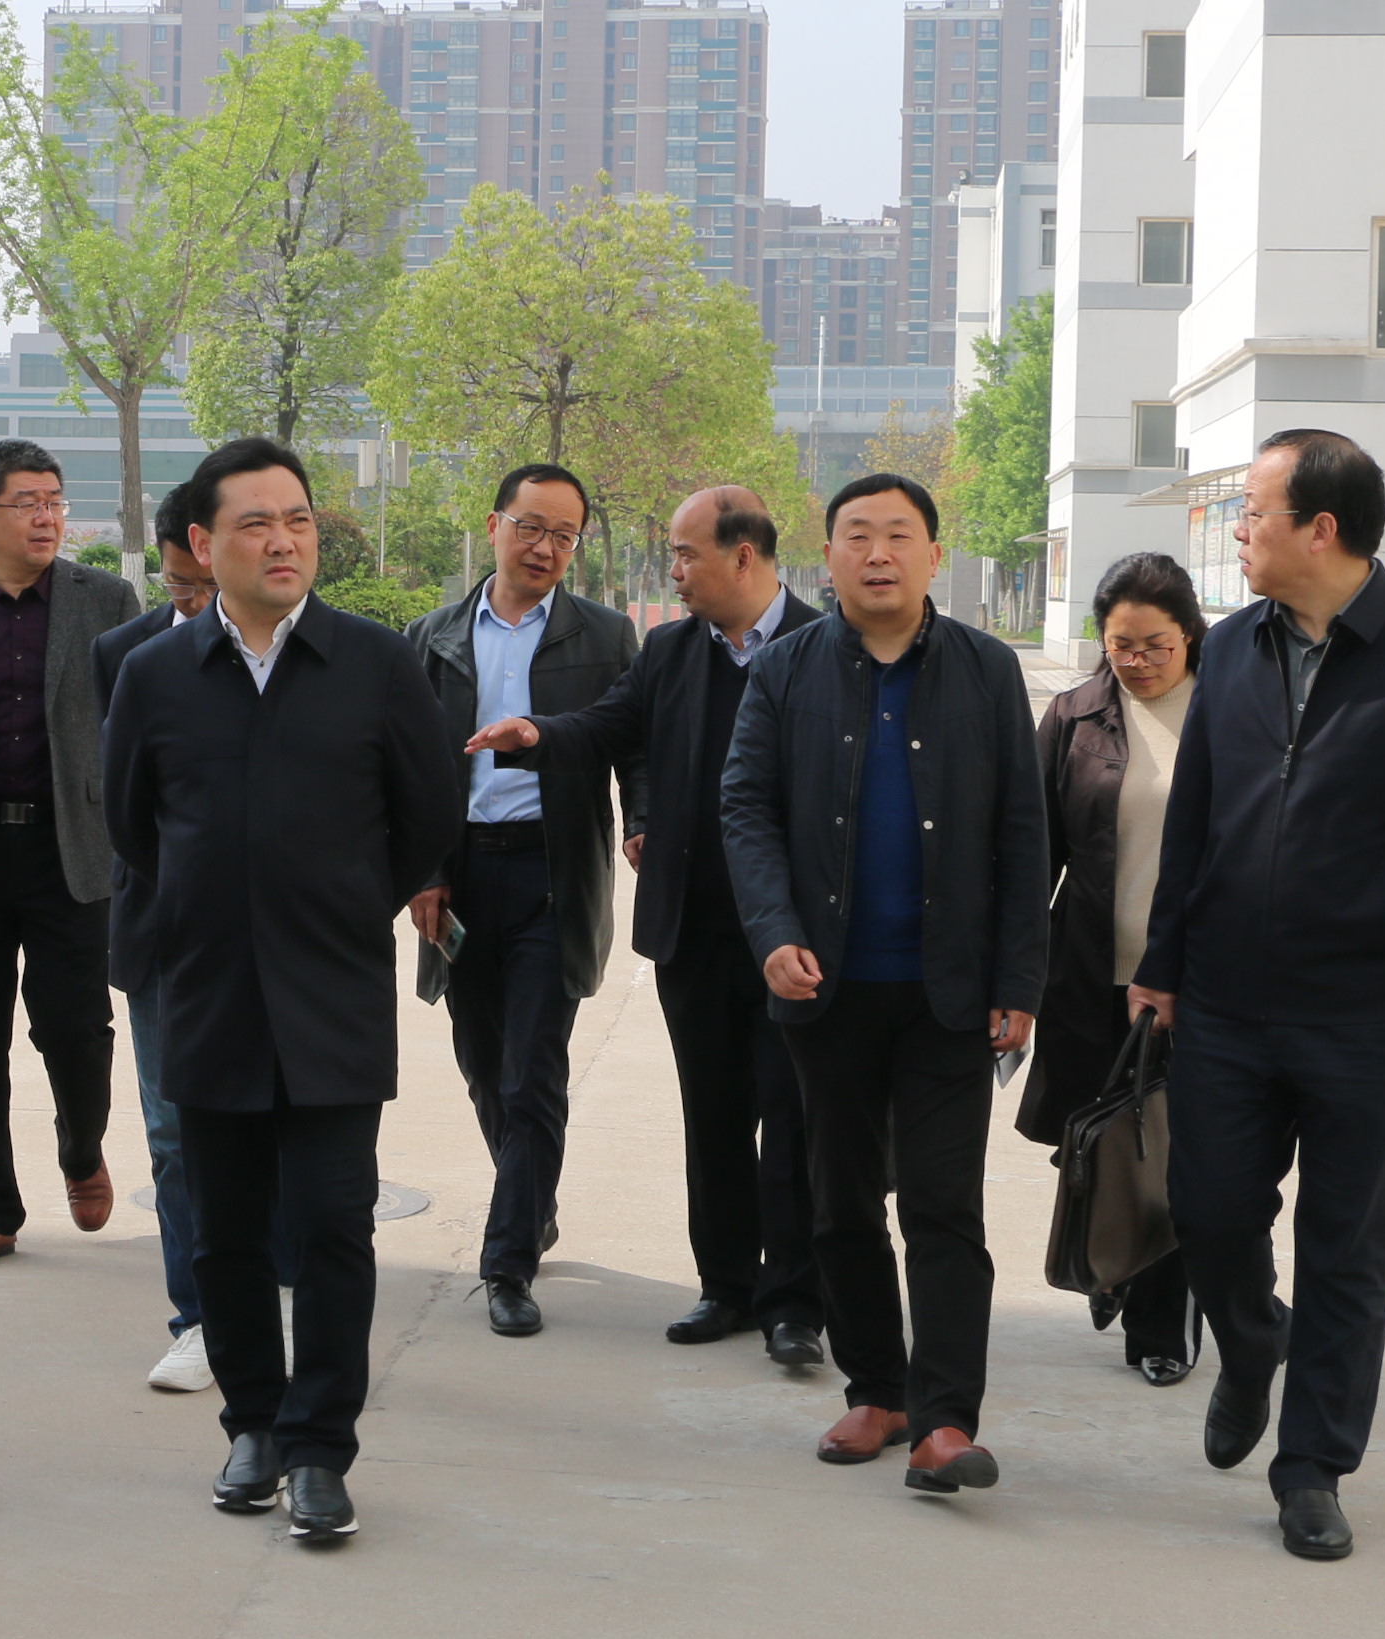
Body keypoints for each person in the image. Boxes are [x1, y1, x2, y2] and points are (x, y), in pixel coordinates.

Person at [1133, 429, 1385, 1564]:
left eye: (1251, 512)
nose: (1236, 532)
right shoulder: (1232, 647)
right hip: (1225, 999)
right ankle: (1253, 1342)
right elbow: (1193, 817)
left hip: (1363, 1008)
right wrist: (1162, 963)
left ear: (1321, 529)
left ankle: (1312, 1468)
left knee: (1347, 1246)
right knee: (1207, 1212)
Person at [102, 437, 461, 1543]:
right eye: (255, 522)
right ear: (203, 543)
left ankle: (319, 1449)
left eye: (298, 519)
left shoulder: (376, 665)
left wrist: (336, 904)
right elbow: (131, 823)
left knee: (334, 1226)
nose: (283, 540)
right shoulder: (156, 674)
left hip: (331, 991)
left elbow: (427, 816)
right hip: (207, 990)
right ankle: (253, 1424)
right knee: (223, 1234)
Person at [721, 472, 1046, 1499]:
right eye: (856, 535)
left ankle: (946, 1419)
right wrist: (773, 932)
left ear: (934, 555)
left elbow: (1023, 829)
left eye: (899, 535)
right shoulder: (785, 668)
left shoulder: (988, 669)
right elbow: (746, 806)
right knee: (841, 1203)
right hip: (828, 989)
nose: (878, 553)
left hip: (950, 991)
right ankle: (878, 1389)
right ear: (827, 557)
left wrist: (1020, 978)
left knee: (945, 1207)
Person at [464, 485, 826, 1365]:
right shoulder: (671, 649)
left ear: (744, 556)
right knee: (713, 1114)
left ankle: (794, 1304)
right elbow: (608, 726)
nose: (674, 571)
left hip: (795, 935)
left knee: (794, 1120)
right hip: (694, 927)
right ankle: (726, 1287)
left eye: (685, 554)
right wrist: (537, 736)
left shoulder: (825, 646)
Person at [404, 463, 641, 1338]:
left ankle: (506, 1264)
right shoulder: (430, 638)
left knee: (533, 1065)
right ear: (495, 525)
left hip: (554, 871)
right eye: (531, 527)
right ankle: (531, 1199)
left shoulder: (605, 637)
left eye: (564, 535)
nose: (545, 547)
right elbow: (409, 767)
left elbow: (634, 744)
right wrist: (423, 872)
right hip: (462, 875)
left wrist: (643, 822)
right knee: (481, 1059)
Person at [0, 438, 143, 1270]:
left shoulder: (106, 600)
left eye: (55, 501)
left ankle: (82, 1150)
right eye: (27, 503)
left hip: (71, 847)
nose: (47, 518)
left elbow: (137, 724)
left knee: (76, 1029)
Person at [1021, 550, 1207, 1384]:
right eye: (1120, 645)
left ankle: (1161, 1329)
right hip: (1091, 975)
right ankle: (1114, 1261)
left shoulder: (1230, 711)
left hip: (1197, 984)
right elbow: (1033, 852)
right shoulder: (1075, 716)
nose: (1136, 662)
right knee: (1097, 1147)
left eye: (1154, 646)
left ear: (1189, 635)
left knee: (1173, 1155)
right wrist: (1012, 975)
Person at [92, 487, 262, 1395]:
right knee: (171, 1132)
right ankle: (198, 1316)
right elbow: (120, 804)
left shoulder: (305, 655)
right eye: (179, 586)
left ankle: (270, 1288)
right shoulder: (125, 656)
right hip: (163, 931)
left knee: (274, 1122)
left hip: (277, 937)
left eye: (207, 587)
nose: (193, 603)